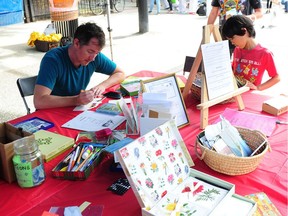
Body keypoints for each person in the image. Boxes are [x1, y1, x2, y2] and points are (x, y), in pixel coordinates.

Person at [34, 22, 125, 110]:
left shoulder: (94, 57)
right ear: (76, 43)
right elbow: (39, 101)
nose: (92, 58)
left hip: (74, 111)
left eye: (97, 53)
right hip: (50, 113)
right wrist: (76, 100)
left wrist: (102, 86)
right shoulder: (53, 59)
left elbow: (120, 73)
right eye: (90, 52)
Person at [221, 15, 280, 91]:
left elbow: (276, 77)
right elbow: (233, 69)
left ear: (244, 31)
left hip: (250, 95)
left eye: (232, 38)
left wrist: (258, 88)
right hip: (235, 92)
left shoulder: (264, 53)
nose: (232, 42)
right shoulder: (237, 50)